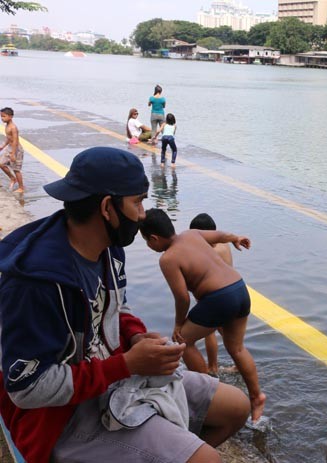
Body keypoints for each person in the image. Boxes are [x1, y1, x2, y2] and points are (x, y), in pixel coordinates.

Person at [0, 147, 250, 463]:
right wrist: (126, 365)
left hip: (110, 378)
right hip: (59, 416)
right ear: (107, 207)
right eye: (138, 202)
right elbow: (25, 389)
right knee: (207, 459)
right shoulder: (36, 283)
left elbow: (117, 308)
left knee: (236, 407)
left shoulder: (107, 248)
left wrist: (135, 336)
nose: (143, 214)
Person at [139, 208, 266, 423]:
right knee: (236, 348)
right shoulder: (191, 234)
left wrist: (178, 325)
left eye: (146, 241)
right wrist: (236, 238)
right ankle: (256, 397)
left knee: (182, 343)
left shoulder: (167, 258)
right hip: (239, 288)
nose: (149, 246)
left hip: (219, 297)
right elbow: (219, 236)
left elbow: (182, 298)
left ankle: (212, 396)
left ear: (154, 238)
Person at [189, 212, 233, 376]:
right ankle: (238, 366)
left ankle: (213, 367)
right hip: (231, 294)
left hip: (215, 298)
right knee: (229, 335)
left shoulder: (207, 251)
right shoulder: (224, 244)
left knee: (209, 332)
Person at [0, 107, 24, 193]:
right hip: (9, 148)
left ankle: (21, 187)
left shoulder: (13, 128)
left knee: (16, 169)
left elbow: (15, 141)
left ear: (10, 116)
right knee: (1, 164)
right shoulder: (7, 126)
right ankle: (12, 178)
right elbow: (8, 138)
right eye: (1, 117)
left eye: (4, 116)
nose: (2, 118)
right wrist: (3, 146)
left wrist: (13, 154)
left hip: (16, 149)